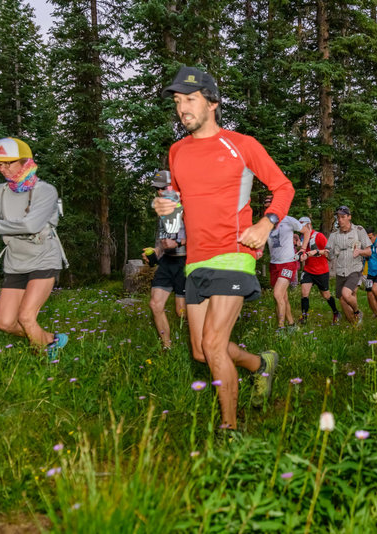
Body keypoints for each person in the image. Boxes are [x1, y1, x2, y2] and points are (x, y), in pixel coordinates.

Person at [154, 66, 295, 430]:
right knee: (201, 351)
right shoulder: (177, 151)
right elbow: (180, 201)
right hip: (196, 258)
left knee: (214, 344)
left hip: (234, 252)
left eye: (190, 100)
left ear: (212, 102)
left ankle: (230, 431)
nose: (182, 108)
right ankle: (260, 364)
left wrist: (266, 224)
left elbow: (284, 188)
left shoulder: (241, 145)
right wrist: (168, 211)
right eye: (177, 101)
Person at [0, 137, 69, 360]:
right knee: (6, 323)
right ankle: (51, 339)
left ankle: (46, 366)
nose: (3, 169)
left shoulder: (45, 191)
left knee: (26, 317)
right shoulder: (1, 190)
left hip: (43, 258)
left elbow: (30, 225)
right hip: (15, 261)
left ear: (26, 162)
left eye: (9, 163)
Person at [144, 171, 187, 349]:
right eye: (158, 189)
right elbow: (161, 239)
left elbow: (198, 235)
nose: (161, 192)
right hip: (167, 261)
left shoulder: (186, 206)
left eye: (164, 188)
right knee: (155, 304)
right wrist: (154, 253)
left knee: (181, 312)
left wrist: (177, 242)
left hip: (185, 261)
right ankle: (167, 347)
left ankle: (202, 340)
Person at [263, 196, 304, 331]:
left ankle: (280, 328)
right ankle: (292, 325)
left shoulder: (288, 220)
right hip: (274, 264)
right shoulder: (265, 223)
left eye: (269, 205)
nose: (267, 208)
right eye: (265, 206)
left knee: (277, 294)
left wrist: (302, 249)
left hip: (288, 263)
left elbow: (306, 231)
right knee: (282, 297)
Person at [326, 206, 371, 326]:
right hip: (340, 270)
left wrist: (360, 252)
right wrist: (327, 253)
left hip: (355, 268)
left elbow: (369, 251)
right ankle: (354, 325)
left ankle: (357, 312)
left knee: (346, 294)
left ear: (349, 217)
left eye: (343, 217)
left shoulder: (359, 230)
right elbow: (328, 255)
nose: (340, 220)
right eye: (338, 217)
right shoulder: (334, 235)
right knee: (342, 300)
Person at [295, 216, 339, 325]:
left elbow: (329, 252)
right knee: (304, 293)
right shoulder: (302, 237)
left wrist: (315, 252)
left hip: (321, 271)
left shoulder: (318, 236)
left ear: (309, 225)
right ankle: (304, 318)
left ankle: (336, 312)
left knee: (326, 295)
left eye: (303, 226)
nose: (301, 229)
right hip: (308, 270)